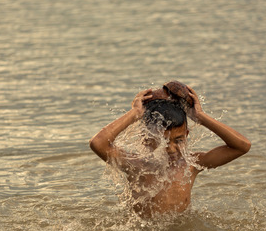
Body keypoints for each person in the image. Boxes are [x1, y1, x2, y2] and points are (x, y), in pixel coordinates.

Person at [89, 85, 251, 218]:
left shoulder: (192, 164)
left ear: (187, 135)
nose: (171, 148)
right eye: (163, 141)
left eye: (179, 140)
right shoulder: (136, 165)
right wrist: (135, 113)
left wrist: (201, 117)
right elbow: (98, 143)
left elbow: (242, 146)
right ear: (147, 138)